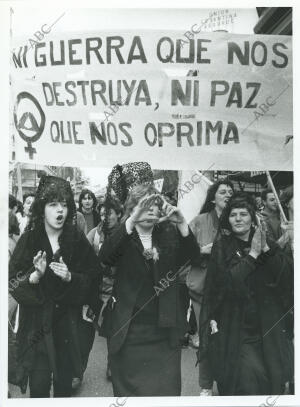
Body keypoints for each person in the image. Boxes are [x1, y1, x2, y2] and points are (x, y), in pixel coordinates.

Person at [98, 162, 198, 396]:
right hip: (129, 331)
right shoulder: (123, 235)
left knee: (165, 393)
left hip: (163, 332)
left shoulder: (169, 234)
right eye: (145, 205)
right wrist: (129, 222)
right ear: (133, 208)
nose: (152, 209)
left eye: (156, 204)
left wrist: (183, 224)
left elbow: (193, 257)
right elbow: (105, 258)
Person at [9, 176, 100, 397]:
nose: (60, 211)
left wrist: (71, 277)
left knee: (63, 388)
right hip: (37, 325)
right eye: (53, 204)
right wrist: (35, 276)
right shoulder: (29, 240)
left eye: (64, 204)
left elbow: (94, 276)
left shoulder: (76, 239)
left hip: (67, 326)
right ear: (42, 209)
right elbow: (14, 282)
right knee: (39, 387)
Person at [198, 192, 293, 395]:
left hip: (268, 326)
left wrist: (266, 248)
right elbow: (224, 285)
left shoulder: (265, 241)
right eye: (234, 215)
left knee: (273, 381)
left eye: (243, 214)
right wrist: (252, 255)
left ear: (252, 218)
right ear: (228, 219)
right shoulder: (222, 246)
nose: (239, 218)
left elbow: (286, 278)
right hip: (237, 327)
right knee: (247, 380)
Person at [187, 179, 234, 395]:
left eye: (230, 192)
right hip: (202, 291)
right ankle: (205, 386)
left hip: (231, 290)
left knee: (227, 337)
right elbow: (181, 255)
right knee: (207, 336)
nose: (227, 194)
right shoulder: (199, 221)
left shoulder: (238, 220)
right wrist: (200, 252)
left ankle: (227, 384)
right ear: (213, 197)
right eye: (222, 191)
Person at [87, 197, 123, 381]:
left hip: (117, 289)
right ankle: (78, 369)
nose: (105, 217)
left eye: (109, 213)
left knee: (113, 328)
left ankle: (112, 364)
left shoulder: (125, 233)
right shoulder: (94, 233)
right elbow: (84, 255)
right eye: (101, 213)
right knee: (88, 328)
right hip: (97, 287)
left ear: (118, 213)